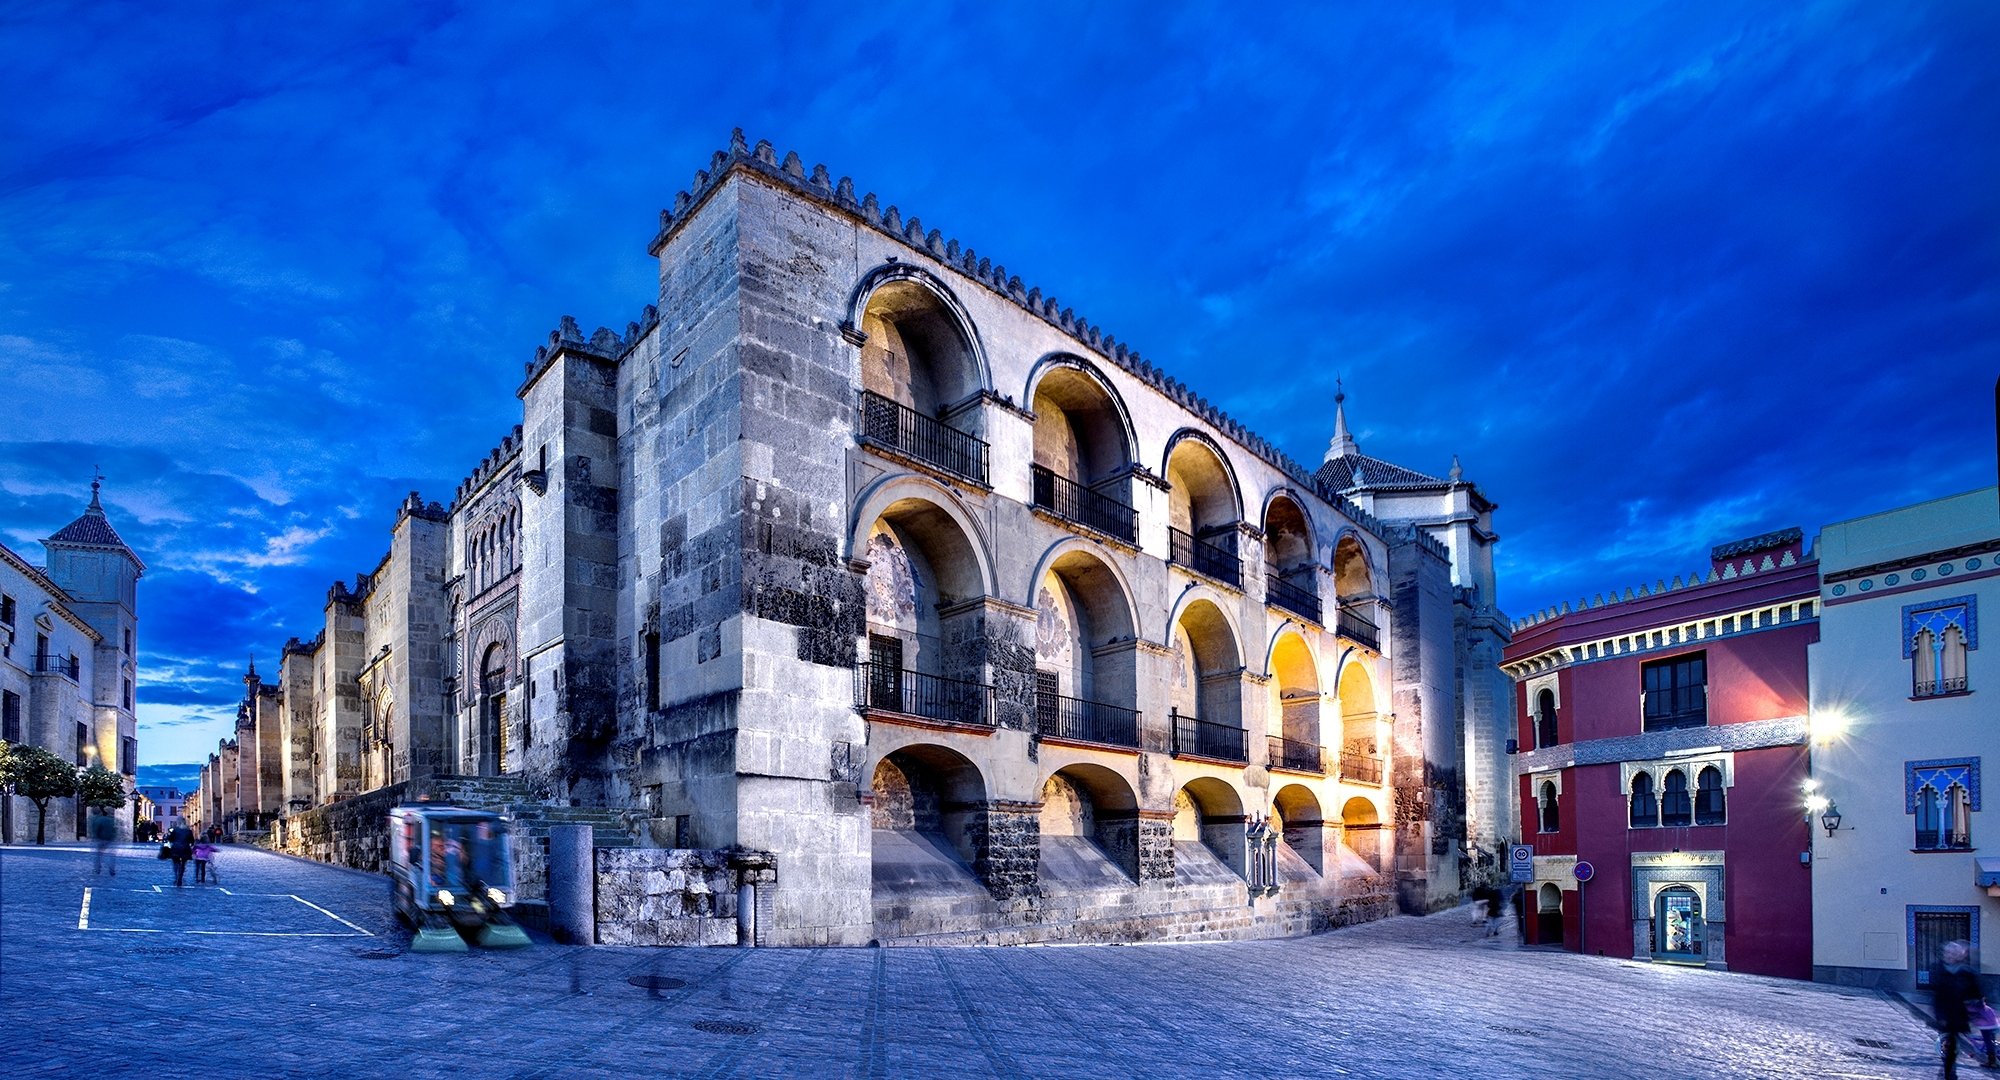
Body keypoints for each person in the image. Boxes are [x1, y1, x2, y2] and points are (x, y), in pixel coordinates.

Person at [1933, 940, 1987, 1078]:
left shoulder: (1967, 973)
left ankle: (1949, 1071)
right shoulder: (1940, 970)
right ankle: (1949, 1070)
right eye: (1947, 952)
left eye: (1952, 953)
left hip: (1959, 1014)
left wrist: (1977, 1005)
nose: (1948, 955)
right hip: (1944, 1014)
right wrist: (1939, 1015)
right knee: (1948, 1043)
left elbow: (1976, 992)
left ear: (1959, 956)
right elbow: (1937, 995)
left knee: (1951, 1043)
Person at [163, 817, 194, 887]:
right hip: (185, 848)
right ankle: (180, 878)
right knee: (183, 864)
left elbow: (170, 839)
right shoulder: (188, 831)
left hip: (176, 848)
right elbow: (192, 841)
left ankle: (176, 877)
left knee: (175, 863)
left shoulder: (175, 830)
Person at [89, 806, 118, 876]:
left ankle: (98, 869)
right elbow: (114, 830)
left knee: (98, 855)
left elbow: (95, 830)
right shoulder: (111, 820)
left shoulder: (98, 820)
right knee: (112, 855)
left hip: (101, 840)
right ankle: (112, 869)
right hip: (110, 839)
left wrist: (95, 838)